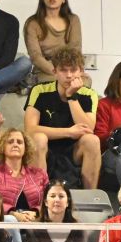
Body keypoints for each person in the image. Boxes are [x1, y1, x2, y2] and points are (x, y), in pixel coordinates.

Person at [24, 51, 99, 188]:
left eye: (73, 70)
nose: (69, 75)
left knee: (92, 140)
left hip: (74, 150)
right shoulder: (39, 90)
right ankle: (38, 199)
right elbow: (30, 129)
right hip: (45, 148)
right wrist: (69, 132)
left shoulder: (89, 94)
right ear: (55, 72)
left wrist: (71, 96)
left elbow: (88, 129)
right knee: (38, 138)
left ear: (81, 71)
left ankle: (90, 198)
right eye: (63, 70)